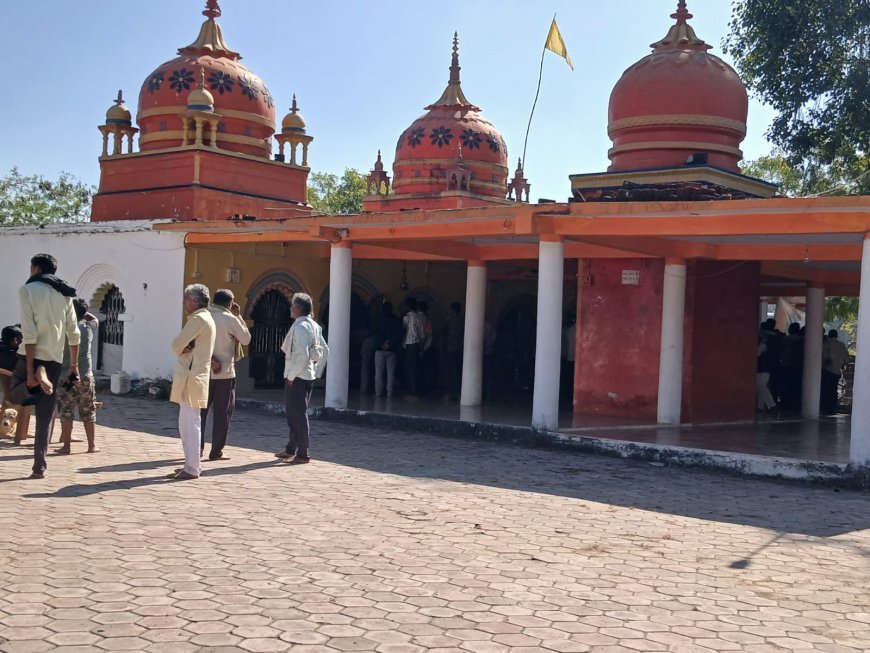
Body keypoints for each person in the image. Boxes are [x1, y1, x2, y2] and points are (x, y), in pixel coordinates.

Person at [10, 253, 80, 479]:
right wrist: (75, 365)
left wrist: (31, 370)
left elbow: (29, 333)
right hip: (55, 359)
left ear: (36, 269)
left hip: (31, 356)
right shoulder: (64, 293)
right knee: (45, 416)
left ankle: (37, 375)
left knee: (13, 395)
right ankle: (39, 467)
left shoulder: (27, 290)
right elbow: (73, 332)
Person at [169, 284, 216, 480]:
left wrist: (183, 347)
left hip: (192, 376)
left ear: (195, 301)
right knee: (187, 423)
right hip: (195, 376)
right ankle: (190, 463)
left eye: (186, 298)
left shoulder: (198, 319)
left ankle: (192, 467)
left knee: (190, 424)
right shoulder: (206, 318)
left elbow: (176, 344)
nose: (183, 302)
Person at [275, 292, 328, 464]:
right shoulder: (313, 325)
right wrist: (316, 371)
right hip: (305, 374)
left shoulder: (301, 327)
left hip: (298, 376)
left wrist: (291, 375)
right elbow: (324, 350)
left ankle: (303, 453)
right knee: (294, 413)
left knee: (298, 414)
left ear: (297, 309)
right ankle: (291, 448)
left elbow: (302, 355)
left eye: (292, 306)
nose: (291, 309)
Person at [200, 289, 251, 461]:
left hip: (203, 372)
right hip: (225, 374)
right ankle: (216, 451)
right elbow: (246, 339)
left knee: (200, 413)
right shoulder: (230, 319)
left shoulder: (203, 316)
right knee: (222, 414)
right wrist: (239, 317)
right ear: (229, 303)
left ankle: (196, 449)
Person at [55, 299, 99, 454]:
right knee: (88, 410)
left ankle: (66, 446)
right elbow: (95, 319)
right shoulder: (88, 328)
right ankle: (91, 446)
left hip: (66, 376)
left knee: (66, 410)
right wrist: (82, 312)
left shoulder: (63, 329)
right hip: (86, 375)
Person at [374, 301, 403, 398]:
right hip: (392, 349)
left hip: (379, 348)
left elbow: (375, 332)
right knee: (391, 372)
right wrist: (389, 343)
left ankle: (378, 392)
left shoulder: (378, 319)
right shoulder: (396, 320)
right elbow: (398, 334)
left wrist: (382, 344)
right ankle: (389, 392)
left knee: (378, 372)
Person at [821, 329, 849, 415]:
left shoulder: (826, 344)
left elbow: (823, 358)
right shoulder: (842, 345)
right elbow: (847, 359)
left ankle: (826, 408)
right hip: (837, 372)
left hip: (827, 371)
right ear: (836, 336)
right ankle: (833, 407)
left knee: (826, 390)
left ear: (829, 336)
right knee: (834, 390)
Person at [402, 297, 425, 397]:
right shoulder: (421, 316)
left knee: (410, 368)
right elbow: (422, 332)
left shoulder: (408, 318)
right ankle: (415, 389)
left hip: (410, 344)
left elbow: (407, 331)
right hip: (418, 344)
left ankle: (412, 390)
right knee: (416, 367)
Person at [445, 302, 464, 400]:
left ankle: (451, 391)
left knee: (451, 370)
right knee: (459, 370)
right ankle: (458, 391)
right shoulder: (463, 320)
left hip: (451, 348)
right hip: (460, 349)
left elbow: (444, 330)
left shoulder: (449, 319)